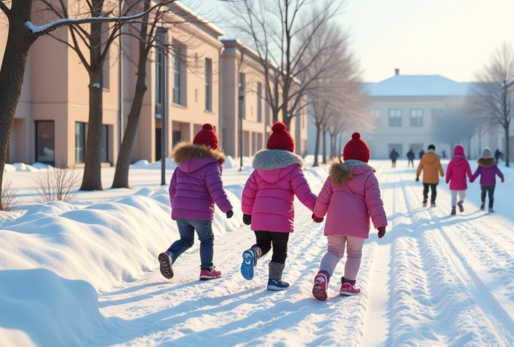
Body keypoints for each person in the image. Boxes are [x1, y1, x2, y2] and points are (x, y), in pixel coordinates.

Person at [240, 122, 318, 291]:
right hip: (280, 219)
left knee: (264, 244)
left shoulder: (259, 170)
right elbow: (304, 193)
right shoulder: (293, 169)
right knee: (280, 248)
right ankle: (274, 280)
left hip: (260, 218)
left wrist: (247, 212)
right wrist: (318, 209)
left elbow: (248, 192)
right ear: (290, 150)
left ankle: (254, 252)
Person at [311, 132, 388, 301]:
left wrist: (318, 214)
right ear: (366, 158)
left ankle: (323, 275)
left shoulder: (335, 175)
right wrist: (380, 223)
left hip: (335, 223)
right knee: (354, 253)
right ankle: (348, 284)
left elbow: (324, 196)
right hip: (356, 225)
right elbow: (374, 202)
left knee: (333, 251)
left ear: (345, 156)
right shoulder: (368, 176)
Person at [158, 124, 234, 281]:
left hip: (180, 210)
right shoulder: (211, 165)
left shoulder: (181, 164)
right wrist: (227, 208)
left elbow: (172, 189)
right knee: (206, 239)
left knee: (185, 239)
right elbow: (216, 189)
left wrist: (177, 207)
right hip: (200, 211)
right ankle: (207, 269)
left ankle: (170, 255)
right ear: (214, 148)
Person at [471, 148, 504, 213]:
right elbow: (498, 171)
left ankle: (483, 203)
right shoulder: (493, 164)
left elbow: (477, 173)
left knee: (483, 193)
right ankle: (490, 207)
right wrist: (502, 177)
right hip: (492, 183)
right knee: (491, 195)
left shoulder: (481, 165)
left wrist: (472, 178)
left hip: (483, 183)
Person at [446, 144, 474, 216]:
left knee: (453, 196)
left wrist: (447, 179)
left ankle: (453, 209)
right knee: (463, 195)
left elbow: (449, 171)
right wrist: (471, 178)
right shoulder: (465, 162)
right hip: (462, 182)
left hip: (454, 183)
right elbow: (469, 171)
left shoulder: (451, 162)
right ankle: (460, 202)